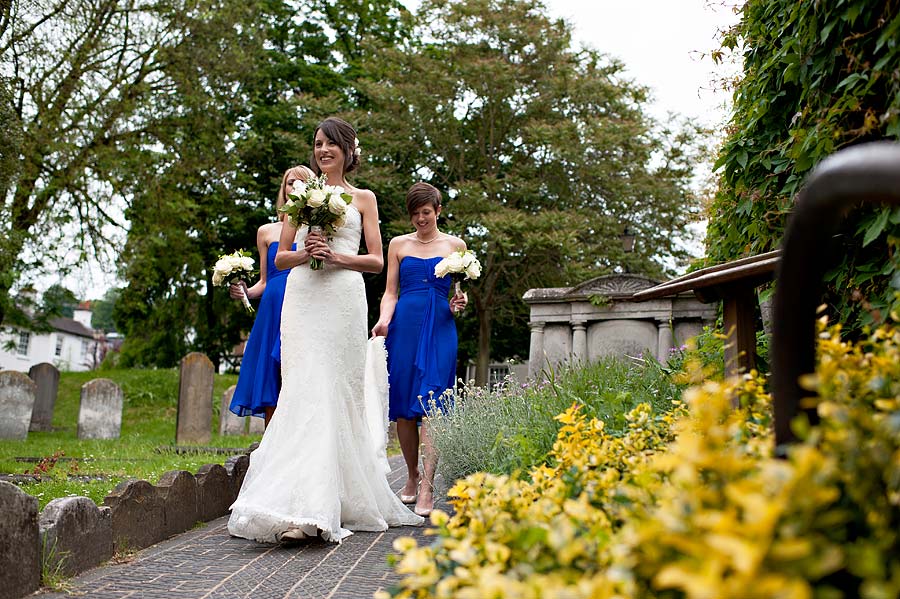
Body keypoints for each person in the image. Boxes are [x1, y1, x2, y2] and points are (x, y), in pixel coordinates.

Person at [227, 117, 423, 544]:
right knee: (303, 390)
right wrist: (305, 255)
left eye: (331, 144)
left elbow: (375, 260)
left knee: (337, 391)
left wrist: (336, 257)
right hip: (303, 298)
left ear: (348, 150)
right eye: (317, 144)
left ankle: (332, 502)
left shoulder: (364, 199)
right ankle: (299, 505)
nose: (322, 150)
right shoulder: (301, 196)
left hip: (343, 298)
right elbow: (280, 259)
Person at [371, 182, 468, 517]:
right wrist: (384, 320)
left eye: (426, 212)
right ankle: (411, 475)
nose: (420, 219)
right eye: (415, 214)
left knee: (433, 404)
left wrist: (459, 302)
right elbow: (390, 292)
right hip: (405, 326)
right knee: (403, 407)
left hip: (440, 325)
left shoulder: (455, 245)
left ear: (438, 211)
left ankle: (427, 486)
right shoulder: (398, 244)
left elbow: (459, 292)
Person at [228, 165, 314, 427]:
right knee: (271, 377)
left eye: (301, 182)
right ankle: (271, 448)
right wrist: (244, 292)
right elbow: (264, 282)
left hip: (303, 303)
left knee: (298, 373)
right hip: (272, 306)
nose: (294, 187)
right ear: (283, 188)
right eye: (290, 183)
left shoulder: (318, 227)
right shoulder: (266, 231)